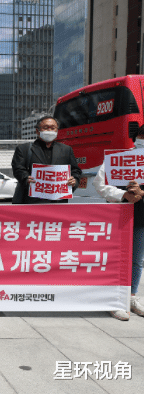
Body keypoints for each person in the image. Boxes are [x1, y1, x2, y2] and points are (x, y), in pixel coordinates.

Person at [93, 126, 144, 321]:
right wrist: (123, 194)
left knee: (136, 259)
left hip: (140, 215)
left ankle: (130, 297)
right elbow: (100, 184)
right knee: (115, 256)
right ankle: (113, 300)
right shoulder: (117, 159)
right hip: (117, 213)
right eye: (142, 136)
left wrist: (141, 193)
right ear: (137, 137)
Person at [11, 115, 82, 204]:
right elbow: (18, 168)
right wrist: (26, 178)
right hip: (32, 201)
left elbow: (75, 170)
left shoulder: (66, 150)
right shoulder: (24, 149)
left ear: (57, 131)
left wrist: (74, 180)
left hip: (58, 201)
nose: (49, 131)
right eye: (46, 128)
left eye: (53, 128)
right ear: (37, 131)